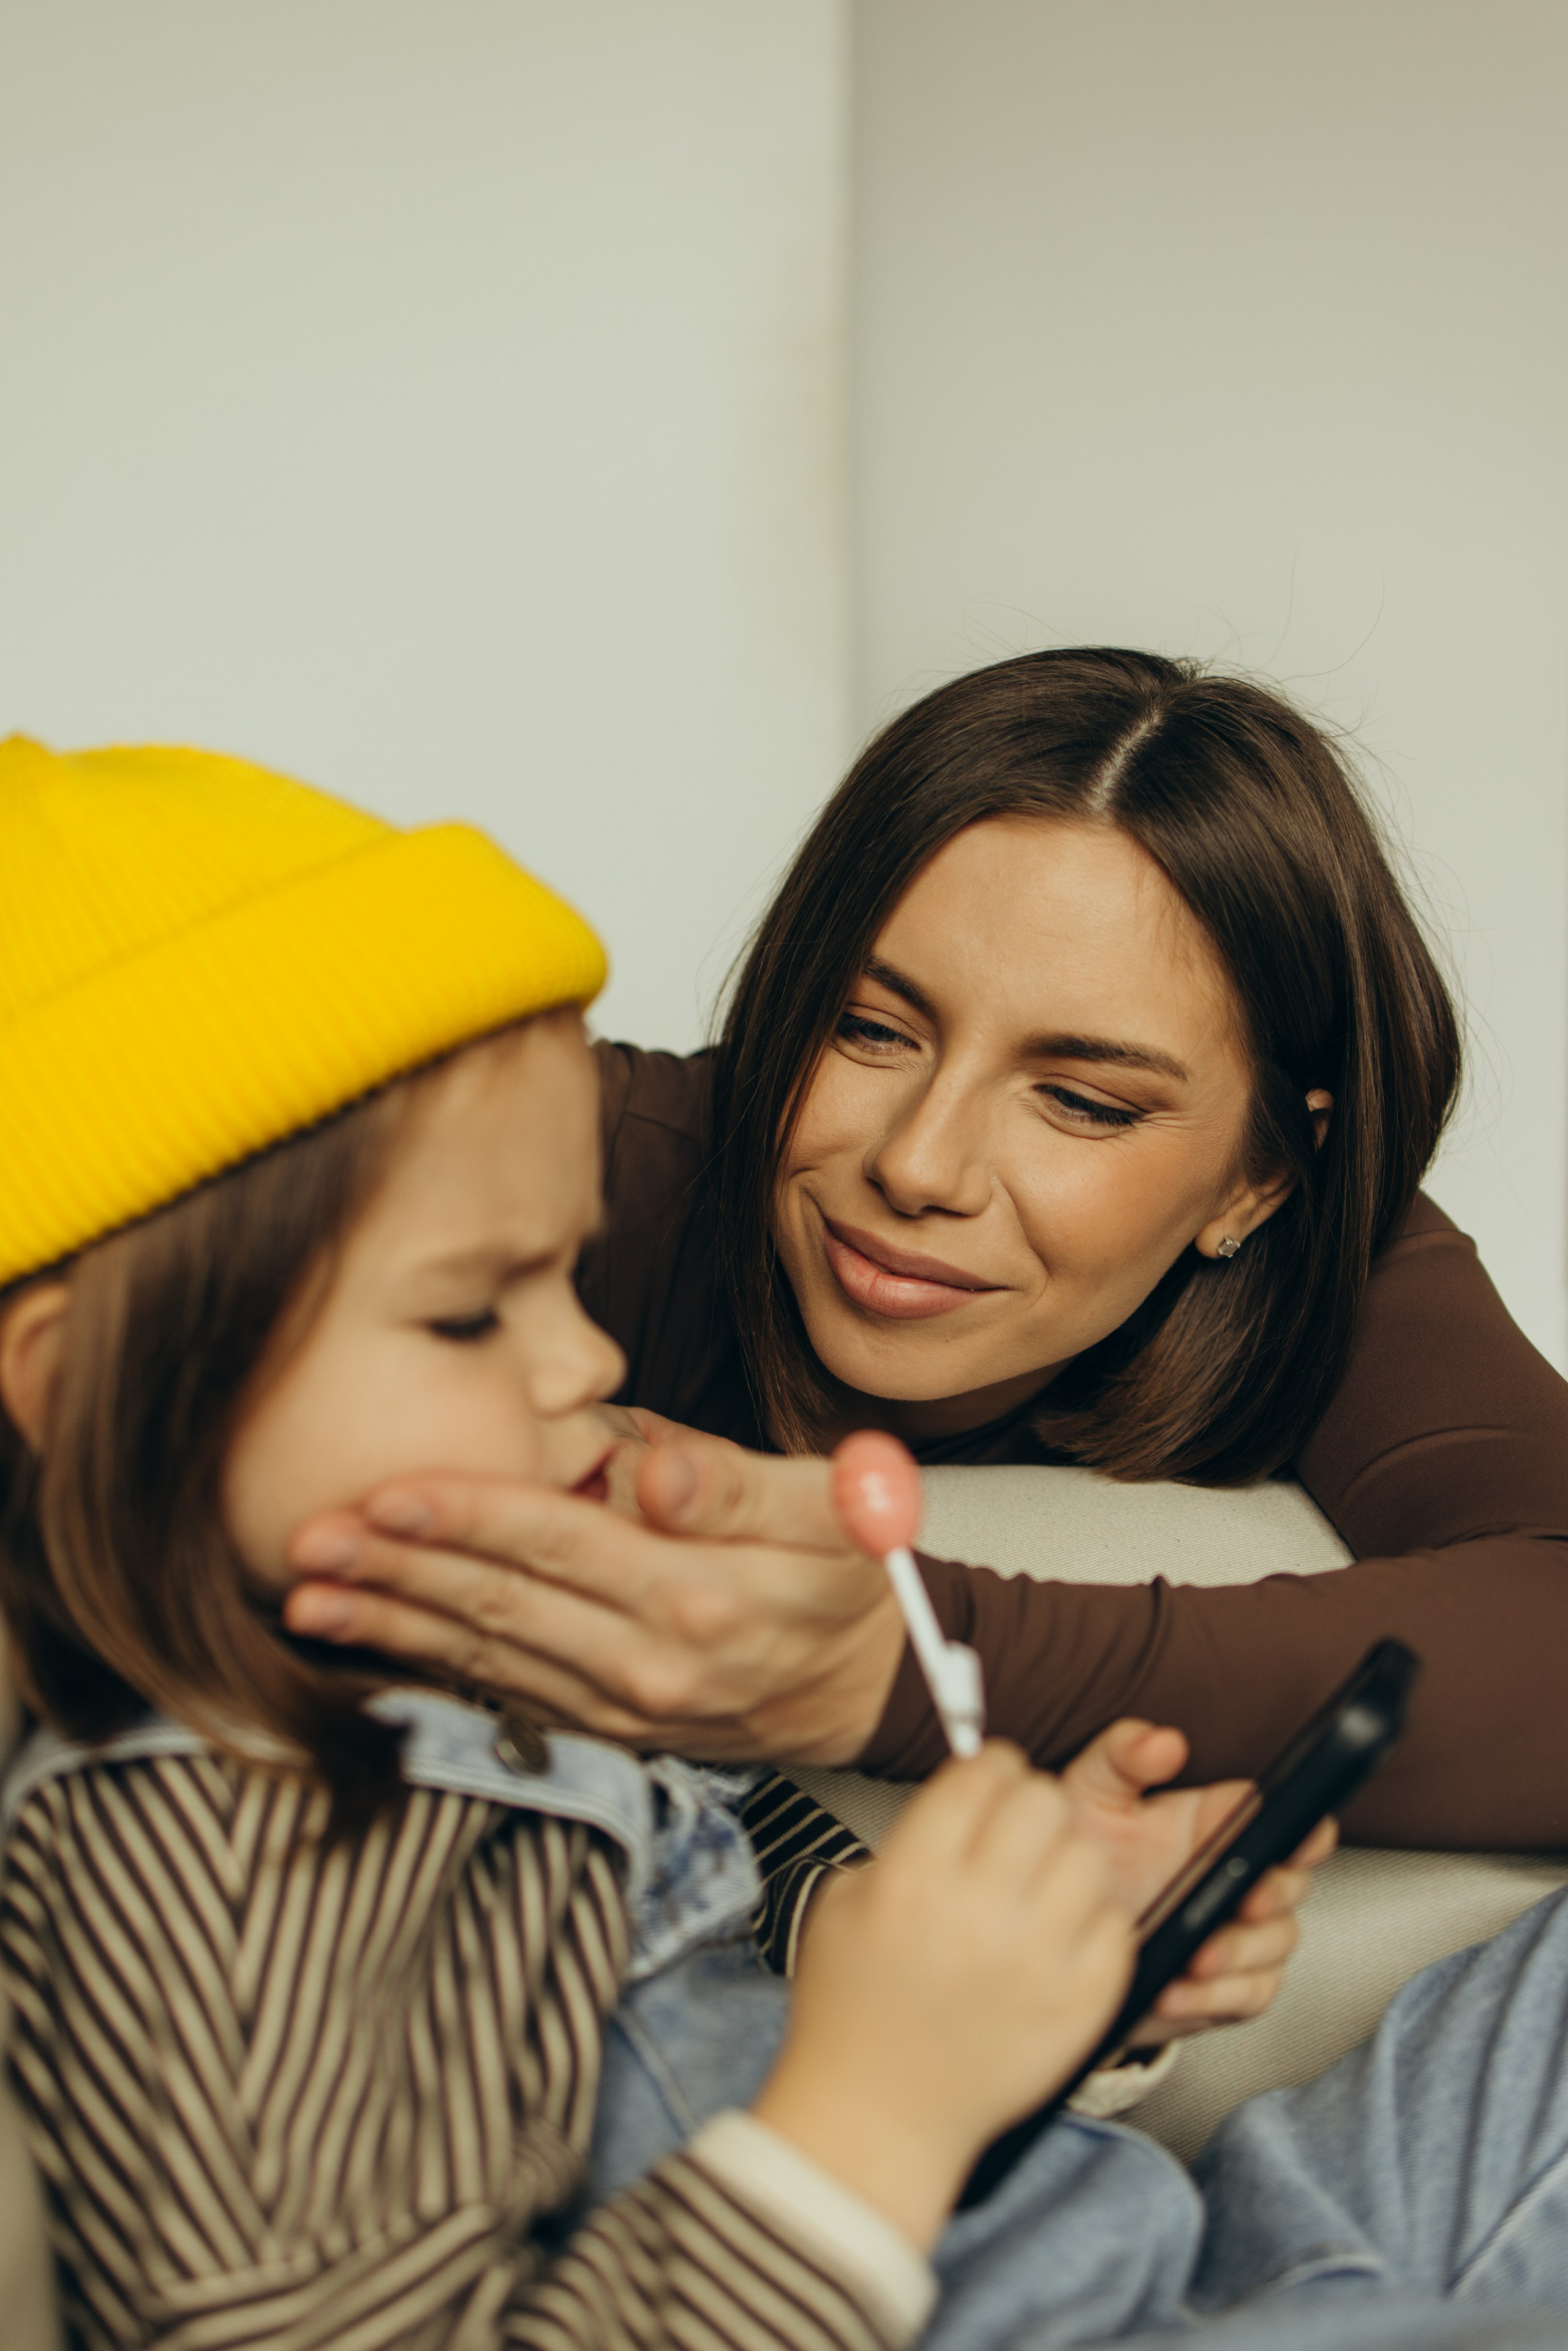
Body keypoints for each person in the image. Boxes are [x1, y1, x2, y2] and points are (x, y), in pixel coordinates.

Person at [0, 736, 1322, 2351]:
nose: (586, 1365)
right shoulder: (201, 1832)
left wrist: (1019, 1948)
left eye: (572, 1274)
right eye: (470, 1310)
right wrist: (871, 2118)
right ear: (82, 1384)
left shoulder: (481, 1659)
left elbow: (722, 1959)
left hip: (1156, 2253)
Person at [281, 649, 1568, 1851]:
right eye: (866, 1026)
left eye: (1083, 1101)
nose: (917, 1163)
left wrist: (895, 1658)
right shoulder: (573, 1156)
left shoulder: (1333, 1259)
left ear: (1259, 1174)